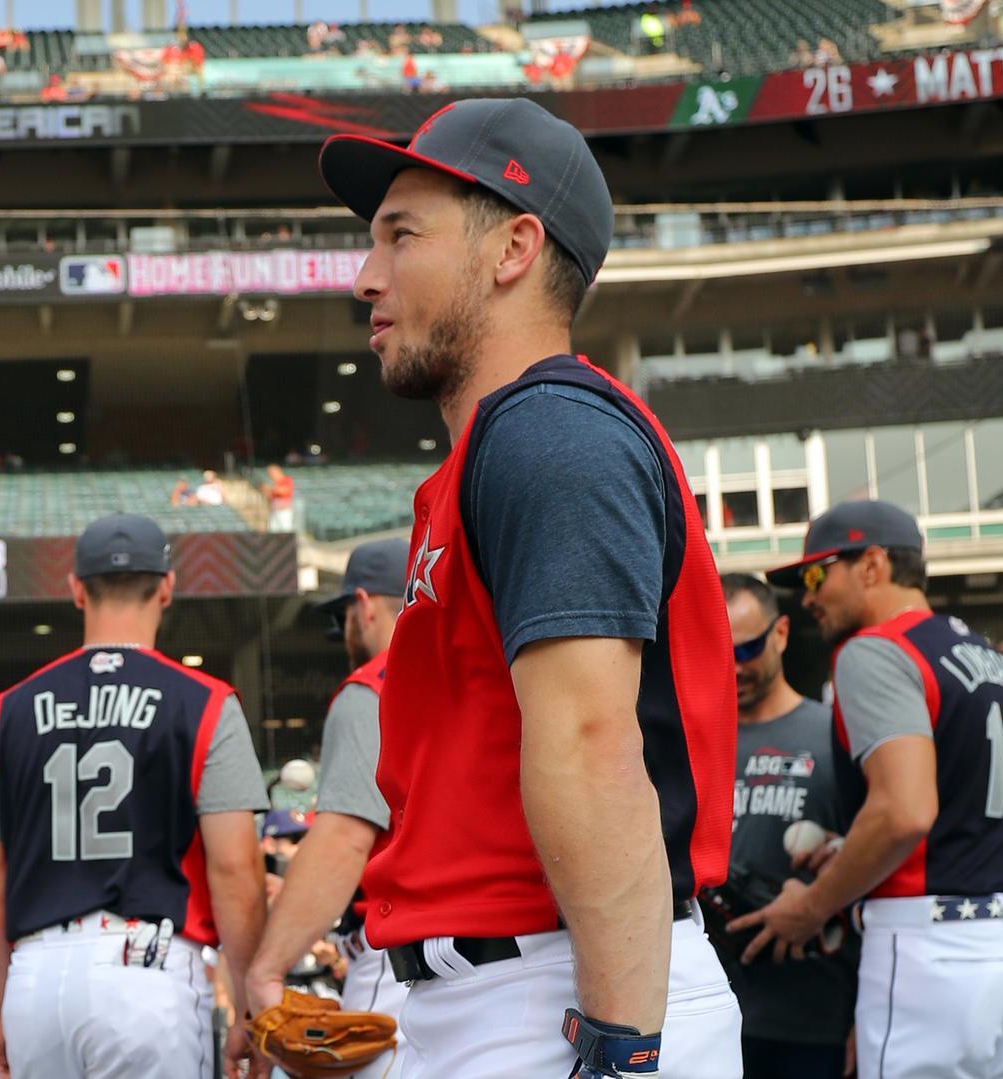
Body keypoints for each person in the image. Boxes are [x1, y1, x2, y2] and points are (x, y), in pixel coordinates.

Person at [318, 98, 741, 1077]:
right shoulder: (501, 447)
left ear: (512, 248)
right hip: (515, 987)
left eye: (400, 235)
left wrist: (621, 1038)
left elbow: (594, 745)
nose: (366, 276)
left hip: (564, 988)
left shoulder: (547, 427)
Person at [739, 501, 1003, 1077]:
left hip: (937, 949)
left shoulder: (877, 648)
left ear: (872, 565)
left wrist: (811, 906)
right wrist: (850, 851)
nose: (807, 597)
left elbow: (905, 811)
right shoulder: (991, 658)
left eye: (816, 574)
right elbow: (969, 816)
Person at [0, 514, 269, 1078]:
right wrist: (250, 1004)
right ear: (167, 587)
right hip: (145, 974)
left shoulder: (7, 709)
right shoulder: (203, 701)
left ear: (76, 590)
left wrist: (1, 1004)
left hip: (36, 979)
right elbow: (235, 868)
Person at [245, 538, 410, 1078]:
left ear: (364, 605)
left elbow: (346, 838)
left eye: (344, 618)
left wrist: (266, 973)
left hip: (408, 960)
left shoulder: (373, 687)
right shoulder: (495, 671)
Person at [713, 574, 855, 1079]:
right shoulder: (691, 745)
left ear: (781, 633)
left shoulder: (833, 735)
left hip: (814, 1018)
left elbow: (876, 881)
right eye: (718, 646)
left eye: (748, 647)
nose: (733, 664)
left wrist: (866, 1016)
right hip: (713, 1020)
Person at [261, 464, 295, 533]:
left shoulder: (286, 479)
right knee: (273, 531)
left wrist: (271, 489)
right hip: (274, 510)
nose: (271, 475)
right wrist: (266, 491)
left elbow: (285, 491)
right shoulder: (275, 483)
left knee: (285, 531)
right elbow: (270, 498)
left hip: (283, 511)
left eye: (271, 473)